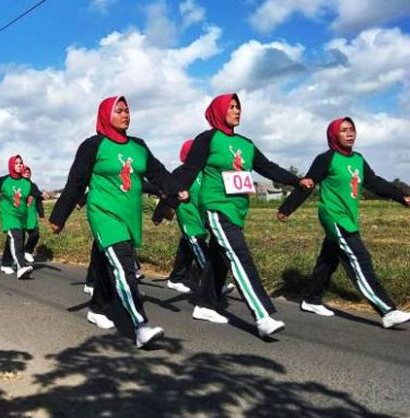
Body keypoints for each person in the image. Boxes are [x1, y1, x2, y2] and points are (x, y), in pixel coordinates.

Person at [49, 95, 182, 349]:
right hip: (103, 213)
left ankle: (97, 307)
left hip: (129, 216)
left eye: (127, 110)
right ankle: (140, 326)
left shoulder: (138, 145)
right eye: (119, 110)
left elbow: (158, 173)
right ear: (105, 115)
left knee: (104, 264)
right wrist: (59, 216)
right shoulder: (93, 145)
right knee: (124, 266)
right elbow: (76, 181)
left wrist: (176, 190)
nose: (125, 114)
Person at [176, 93, 312, 338]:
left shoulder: (246, 144)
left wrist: (296, 180)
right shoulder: (208, 139)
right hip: (217, 207)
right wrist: (174, 194)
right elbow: (190, 169)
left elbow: (268, 167)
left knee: (219, 258)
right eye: (231, 107)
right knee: (240, 256)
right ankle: (262, 315)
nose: (237, 110)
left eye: (238, 106)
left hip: (238, 210)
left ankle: (205, 304)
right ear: (218, 111)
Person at [278, 116, 410, 329]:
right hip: (333, 216)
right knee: (359, 258)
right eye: (344, 130)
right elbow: (308, 184)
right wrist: (287, 208)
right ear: (333, 135)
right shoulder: (326, 158)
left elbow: (375, 183)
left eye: (352, 129)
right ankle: (387, 310)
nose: (350, 133)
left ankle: (311, 299)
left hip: (348, 216)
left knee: (328, 259)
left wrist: (401, 197)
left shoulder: (358, 159)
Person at [153, 140, 236, 296]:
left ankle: (176, 279)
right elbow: (167, 194)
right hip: (188, 215)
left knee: (187, 246)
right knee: (199, 246)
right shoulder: (180, 172)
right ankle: (215, 284)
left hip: (201, 215)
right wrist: (158, 216)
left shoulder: (207, 172)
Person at [0, 155, 40, 280]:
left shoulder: (27, 183)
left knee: (12, 238)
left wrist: (43, 194)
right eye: (16, 163)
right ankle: (21, 267)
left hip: (21, 215)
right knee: (17, 236)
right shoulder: (4, 180)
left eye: (21, 163)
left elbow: (36, 193)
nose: (20, 165)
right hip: (8, 214)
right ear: (11, 165)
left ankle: (5, 263)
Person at [21, 166, 45, 263]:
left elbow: (39, 201)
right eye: (25, 171)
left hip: (31, 215)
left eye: (28, 171)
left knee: (35, 234)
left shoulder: (33, 186)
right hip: (21, 216)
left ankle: (27, 251)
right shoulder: (19, 186)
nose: (27, 172)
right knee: (19, 238)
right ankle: (17, 257)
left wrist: (41, 214)